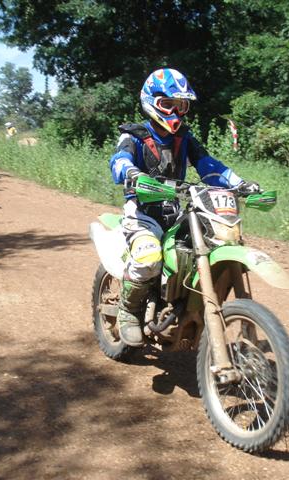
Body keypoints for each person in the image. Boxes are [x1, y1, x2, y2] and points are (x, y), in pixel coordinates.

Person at [109, 68, 259, 346]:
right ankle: (128, 311)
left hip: (175, 212)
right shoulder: (135, 135)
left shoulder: (184, 139)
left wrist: (240, 183)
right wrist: (131, 173)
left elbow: (210, 166)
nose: (176, 112)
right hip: (141, 213)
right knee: (148, 257)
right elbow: (119, 160)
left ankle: (188, 302)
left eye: (182, 106)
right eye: (169, 104)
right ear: (151, 102)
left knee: (211, 246)